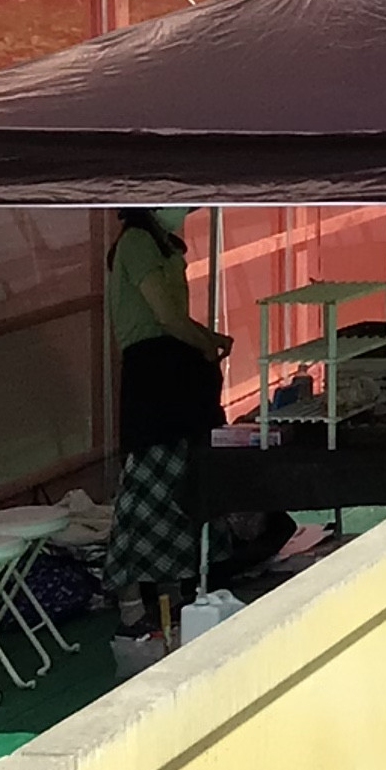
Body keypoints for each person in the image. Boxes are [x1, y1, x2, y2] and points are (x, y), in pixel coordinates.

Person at [106, 207, 229, 663]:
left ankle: (175, 595)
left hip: (178, 376)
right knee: (146, 489)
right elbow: (165, 316)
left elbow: (178, 317)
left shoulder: (165, 244)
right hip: (154, 380)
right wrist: (208, 341)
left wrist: (206, 341)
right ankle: (132, 603)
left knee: (182, 485)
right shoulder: (137, 242)